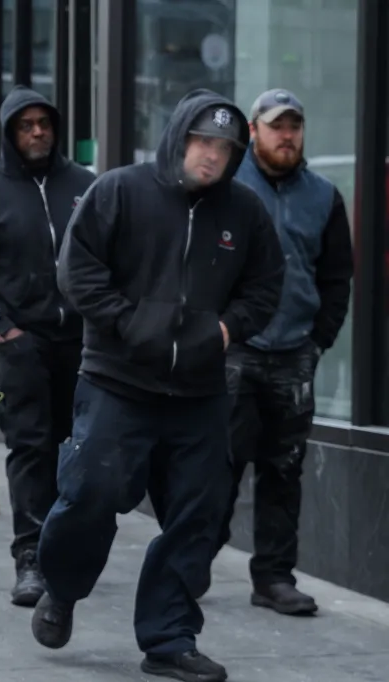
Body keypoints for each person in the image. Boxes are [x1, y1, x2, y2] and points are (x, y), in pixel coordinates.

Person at [29, 89, 284, 682]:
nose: (211, 156)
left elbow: (266, 285)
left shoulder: (244, 212)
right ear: (178, 138)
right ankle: (62, 588)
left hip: (199, 392)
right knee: (90, 495)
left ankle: (170, 637)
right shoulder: (121, 190)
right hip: (117, 379)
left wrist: (226, 331)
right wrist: (126, 322)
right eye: (202, 142)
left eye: (224, 147)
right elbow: (77, 268)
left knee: (199, 515)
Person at [0, 84, 96, 606]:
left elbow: (109, 258)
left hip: (84, 345)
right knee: (31, 450)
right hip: (22, 345)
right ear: (10, 133)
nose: (37, 133)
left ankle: (70, 552)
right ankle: (30, 558)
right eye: (25, 125)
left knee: (81, 450)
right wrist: (6, 332)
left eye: (44, 123)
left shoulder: (85, 185)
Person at [218, 89, 353, 616]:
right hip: (236, 350)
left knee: (284, 469)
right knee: (219, 466)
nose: (287, 135)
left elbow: (337, 276)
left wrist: (318, 340)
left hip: (295, 351)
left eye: (294, 126)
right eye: (277, 126)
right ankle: (191, 562)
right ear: (253, 131)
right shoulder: (228, 188)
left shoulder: (324, 196)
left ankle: (274, 577)